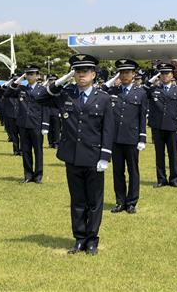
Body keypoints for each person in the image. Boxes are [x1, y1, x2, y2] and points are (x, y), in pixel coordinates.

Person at [36, 54, 114, 256]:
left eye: (85, 71)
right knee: (77, 200)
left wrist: (105, 156)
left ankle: (92, 240)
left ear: (94, 74)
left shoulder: (104, 99)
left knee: (94, 202)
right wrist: (61, 80)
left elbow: (108, 130)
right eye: (77, 71)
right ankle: (79, 239)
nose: (81, 75)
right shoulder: (66, 95)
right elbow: (39, 97)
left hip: (94, 157)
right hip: (72, 156)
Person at [102, 59, 148, 214]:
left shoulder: (140, 93)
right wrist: (112, 81)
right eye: (121, 72)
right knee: (117, 171)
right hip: (115, 138)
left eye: (127, 72)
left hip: (132, 137)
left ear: (134, 74)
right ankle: (120, 201)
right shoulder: (112, 92)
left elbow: (142, 117)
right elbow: (101, 89)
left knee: (133, 171)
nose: (124, 75)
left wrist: (142, 138)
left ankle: (132, 202)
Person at [5, 65, 50, 183]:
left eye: (32, 74)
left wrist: (45, 125)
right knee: (25, 150)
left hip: (36, 124)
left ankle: (38, 175)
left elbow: (46, 108)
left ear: (37, 75)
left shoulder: (42, 90)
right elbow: (7, 94)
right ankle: (28, 175)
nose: (30, 76)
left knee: (38, 150)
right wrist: (17, 81)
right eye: (28, 74)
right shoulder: (21, 89)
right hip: (23, 124)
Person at [144, 63, 177, 188]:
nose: (165, 76)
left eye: (167, 73)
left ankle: (174, 179)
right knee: (159, 154)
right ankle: (161, 179)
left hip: (172, 126)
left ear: (172, 75)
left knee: (173, 153)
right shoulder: (154, 90)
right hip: (157, 126)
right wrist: (154, 78)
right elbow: (144, 87)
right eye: (162, 73)